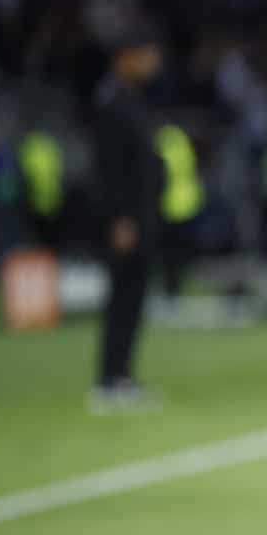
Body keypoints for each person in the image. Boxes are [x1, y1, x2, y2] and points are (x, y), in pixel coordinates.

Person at [89, 27, 165, 412]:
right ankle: (109, 377)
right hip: (126, 219)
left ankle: (122, 375)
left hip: (141, 215)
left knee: (134, 298)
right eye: (146, 54)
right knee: (122, 297)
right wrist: (120, 218)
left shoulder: (131, 99)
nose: (154, 63)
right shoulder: (112, 103)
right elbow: (112, 169)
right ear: (125, 58)